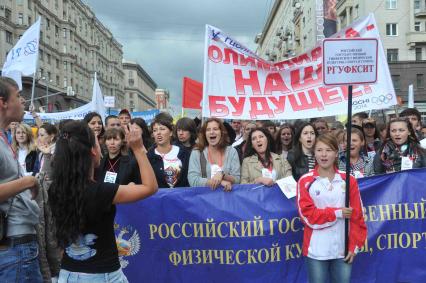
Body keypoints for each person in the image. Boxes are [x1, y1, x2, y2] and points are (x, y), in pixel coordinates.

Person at [48, 120, 158, 282]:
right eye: (98, 142)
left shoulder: (55, 189)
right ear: (92, 151)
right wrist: (138, 149)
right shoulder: (101, 192)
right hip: (103, 276)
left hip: (68, 274)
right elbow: (150, 187)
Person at [297, 133, 367, 283]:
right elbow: (307, 215)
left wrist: (354, 245)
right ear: (314, 153)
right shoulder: (305, 181)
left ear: (336, 153)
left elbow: (357, 216)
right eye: (319, 150)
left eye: (328, 150)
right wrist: (337, 213)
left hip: (343, 249)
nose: (323, 155)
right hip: (316, 250)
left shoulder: (349, 180)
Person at [0, 77, 42, 282]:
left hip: (17, 246)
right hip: (13, 249)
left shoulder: (3, 138)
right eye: (18, 96)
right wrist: (28, 182)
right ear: (3, 102)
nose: (23, 100)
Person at [188, 118, 240, 191]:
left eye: (215, 129)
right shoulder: (197, 152)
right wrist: (218, 182)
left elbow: (237, 179)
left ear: (221, 132)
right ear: (204, 134)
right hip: (204, 199)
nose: (211, 132)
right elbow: (193, 180)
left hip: (226, 198)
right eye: (208, 130)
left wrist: (223, 175)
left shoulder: (232, 151)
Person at [147, 114, 191, 188]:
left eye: (162, 129)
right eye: (155, 130)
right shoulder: (149, 156)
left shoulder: (183, 153)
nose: (158, 133)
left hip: (181, 198)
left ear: (171, 132)